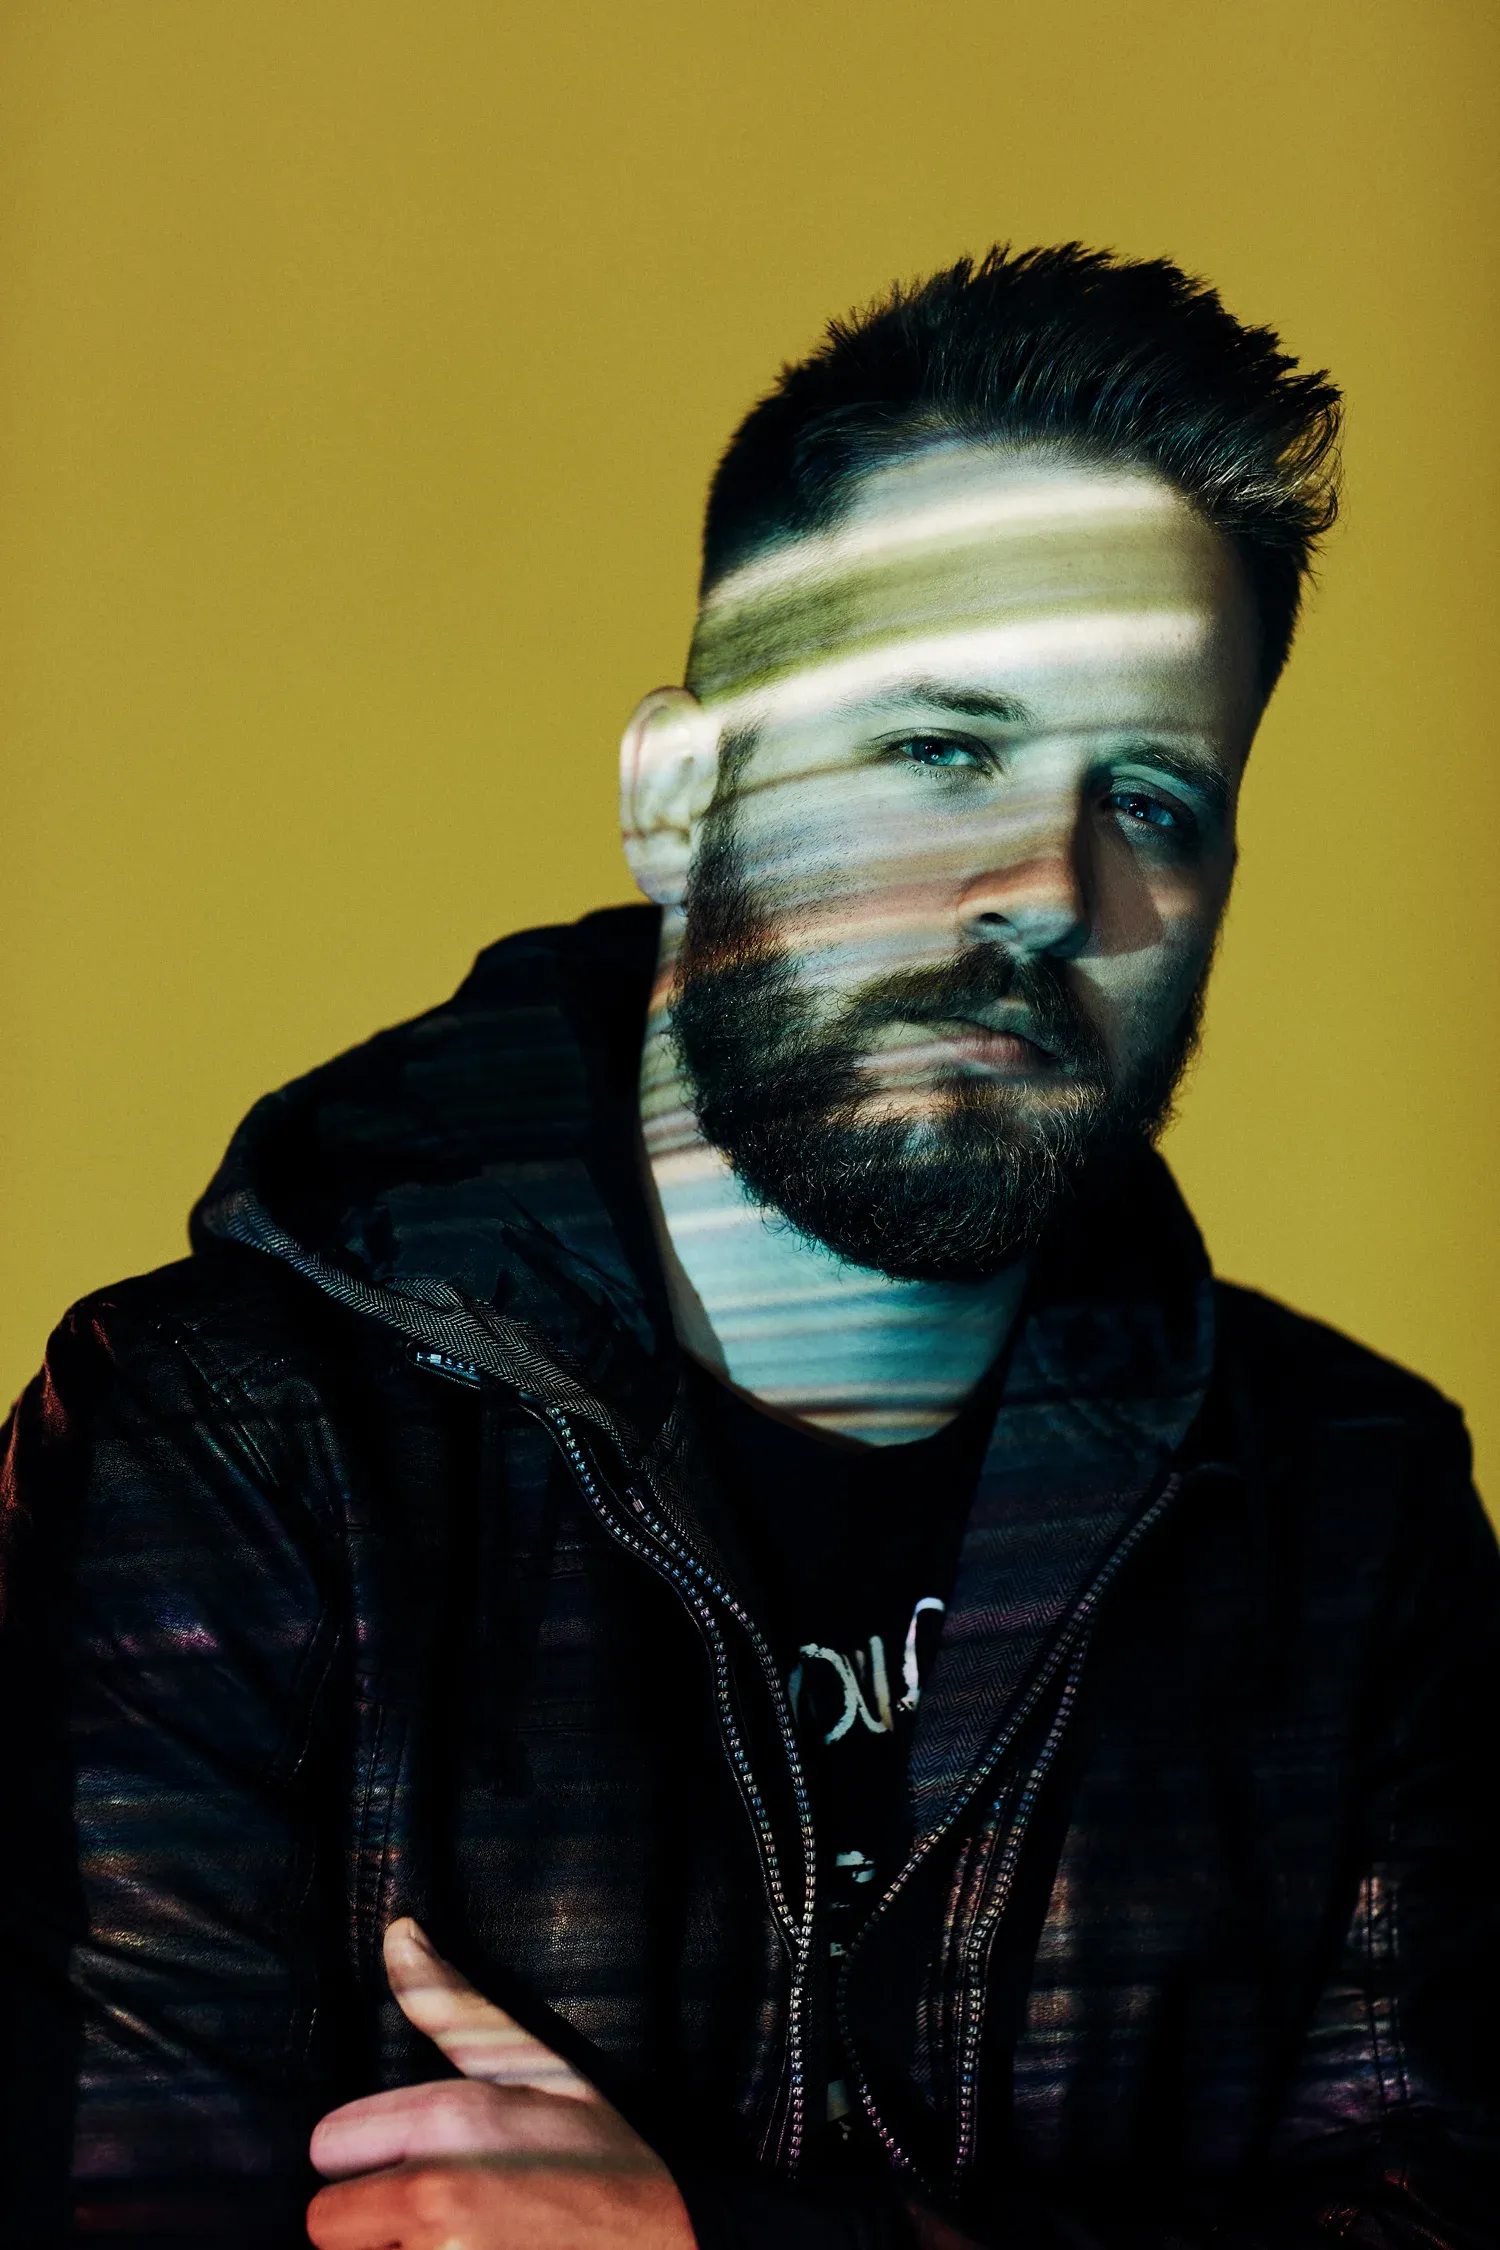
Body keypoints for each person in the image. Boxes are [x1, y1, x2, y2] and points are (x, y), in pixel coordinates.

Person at [2, 244, 1495, 2250]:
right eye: (940, 747)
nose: (1048, 888)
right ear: (679, 796)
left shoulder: (1353, 1512)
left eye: (1149, 795)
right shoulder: (225, 1450)